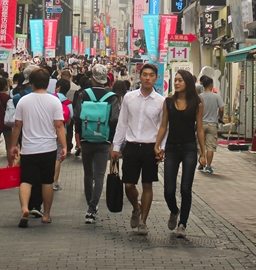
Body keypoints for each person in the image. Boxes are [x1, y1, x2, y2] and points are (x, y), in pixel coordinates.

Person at [111, 64, 164, 236]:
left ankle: (143, 221)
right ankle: (136, 207)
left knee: (147, 184)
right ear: (139, 77)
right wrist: (116, 146)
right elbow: (122, 123)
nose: (148, 78)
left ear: (156, 78)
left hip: (150, 147)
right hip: (131, 145)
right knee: (128, 184)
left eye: (151, 75)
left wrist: (161, 148)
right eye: (145, 75)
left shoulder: (160, 101)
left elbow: (164, 127)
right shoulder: (129, 97)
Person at [11, 67, 67, 227]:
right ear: (48, 83)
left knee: (26, 180)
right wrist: (64, 146)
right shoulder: (54, 101)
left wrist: (13, 146)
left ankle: (24, 208)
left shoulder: (23, 101)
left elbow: (17, 125)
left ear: (32, 83)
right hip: (48, 148)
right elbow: (59, 126)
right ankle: (46, 214)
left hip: (28, 148)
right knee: (47, 182)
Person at [155, 69, 205, 239]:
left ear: (187, 83)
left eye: (180, 80)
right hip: (172, 147)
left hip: (189, 147)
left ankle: (182, 224)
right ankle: (174, 210)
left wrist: (203, 152)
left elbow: (200, 129)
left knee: (185, 188)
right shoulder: (168, 102)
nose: (176, 83)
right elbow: (163, 126)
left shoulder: (196, 104)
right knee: (168, 190)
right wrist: (157, 145)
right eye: (175, 80)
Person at [74, 64, 119, 223]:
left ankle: (89, 203)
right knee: (99, 175)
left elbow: (77, 116)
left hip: (86, 139)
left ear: (92, 78)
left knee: (88, 173)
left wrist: (79, 136)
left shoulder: (83, 94)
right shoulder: (112, 97)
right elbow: (114, 119)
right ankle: (92, 210)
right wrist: (112, 140)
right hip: (103, 140)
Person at [198, 76, 223, 174]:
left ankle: (202, 159)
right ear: (211, 85)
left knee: (200, 144)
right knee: (210, 147)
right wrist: (220, 117)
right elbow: (221, 109)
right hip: (212, 124)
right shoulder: (216, 97)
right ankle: (208, 166)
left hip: (201, 124)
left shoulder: (199, 97)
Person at [53, 78, 73, 190]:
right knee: (57, 158)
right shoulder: (68, 103)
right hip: (61, 132)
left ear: (58, 87)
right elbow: (69, 121)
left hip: (49, 131)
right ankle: (54, 181)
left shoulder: (51, 98)